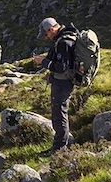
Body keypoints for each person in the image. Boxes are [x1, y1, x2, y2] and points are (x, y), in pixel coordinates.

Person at [33, 17, 78, 154]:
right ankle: (58, 146)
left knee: (59, 114)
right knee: (59, 113)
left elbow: (61, 67)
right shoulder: (63, 39)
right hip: (62, 82)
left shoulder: (63, 42)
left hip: (63, 83)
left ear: (51, 29)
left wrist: (44, 62)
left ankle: (59, 149)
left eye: (46, 34)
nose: (46, 37)